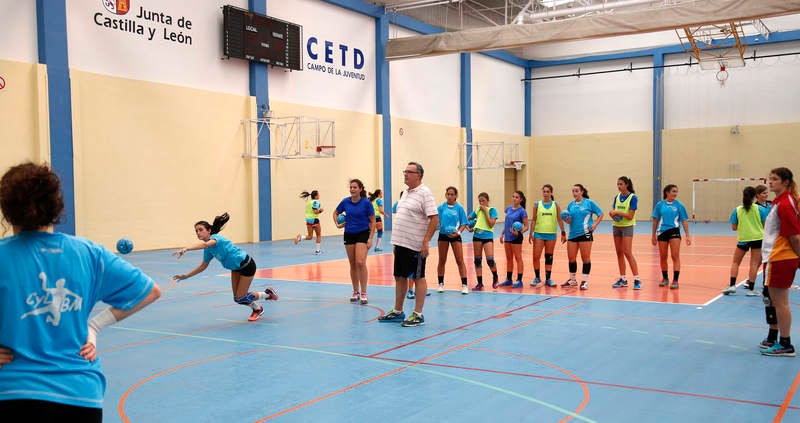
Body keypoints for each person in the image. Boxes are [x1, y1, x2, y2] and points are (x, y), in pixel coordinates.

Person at [0, 162, 161, 420]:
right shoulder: (88, 253)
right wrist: (94, 327)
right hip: (79, 394)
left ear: (6, 209)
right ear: (56, 206)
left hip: (13, 392)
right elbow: (149, 291)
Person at [173, 212, 278, 321]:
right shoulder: (208, 250)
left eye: (200, 230)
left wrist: (186, 248)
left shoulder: (216, 239)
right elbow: (203, 266)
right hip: (235, 268)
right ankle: (258, 308)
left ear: (209, 230)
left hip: (246, 265)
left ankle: (267, 295)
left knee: (241, 297)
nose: (198, 232)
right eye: (196, 231)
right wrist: (186, 276)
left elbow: (205, 244)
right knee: (238, 299)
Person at [378, 162, 438, 327]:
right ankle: (398, 311)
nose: (405, 174)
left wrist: (426, 241)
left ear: (418, 175)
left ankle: (418, 314)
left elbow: (434, 218)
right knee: (399, 277)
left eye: (409, 172)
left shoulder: (425, 193)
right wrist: (397, 243)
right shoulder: (406, 192)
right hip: (401, 243)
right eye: (404, 171)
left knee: (418, 277)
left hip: (416, 245)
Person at [759, 167, 800, 357]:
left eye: (774, 179)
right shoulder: (780, 201)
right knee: (774, 301)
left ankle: (785, 344)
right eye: (770, 178)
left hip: (780, 257)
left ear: (785, 182)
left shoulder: (785, 204)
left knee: (780, 302)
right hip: (775, 257)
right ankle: (777, 339)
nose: (770, 182)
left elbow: (794, 236)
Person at [334, 179, 376, 305]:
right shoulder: (345, 201)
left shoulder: (366, 203)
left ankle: (364, 292)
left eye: (355, 187)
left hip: (363, 233)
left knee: (360, 262)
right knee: (352, 263)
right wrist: (337, 224)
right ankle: (355, 291)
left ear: (360, 189)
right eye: (351, 187)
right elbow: (335, 213)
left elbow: (373, 221)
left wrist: (370, 238)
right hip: (349, 233)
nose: (352, 189)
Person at [723, 186, 768, 296]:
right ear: (754, 196)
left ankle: (732, 285)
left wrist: (744, 227)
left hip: (743, 239)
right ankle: (751, 290)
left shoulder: (737, 210)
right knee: (754, 263)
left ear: (743, 196)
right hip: (758, 238)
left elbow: (734, 227)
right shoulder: (760, 209)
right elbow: (765, 226)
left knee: (735, 262)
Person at [562, 184, 603, 290]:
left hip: (585, 233)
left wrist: (595, 225)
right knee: (571, 258)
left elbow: (601, 213)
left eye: (576, 191)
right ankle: (572, 279)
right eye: (573, 191)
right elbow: (570, 220)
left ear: (582, 192)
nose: (574, 193)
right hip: (572, 234)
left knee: (585, 258)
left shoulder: (589, 203)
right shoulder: (571, 205)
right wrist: (566, 219)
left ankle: (584, 281)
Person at [651, 184, 692, 289]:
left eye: (676, 192)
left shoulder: (679, 205)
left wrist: (687, 235)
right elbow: (655, 220)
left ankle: (675, 280)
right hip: (662, 232)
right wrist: (653, 235)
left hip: (674, 231)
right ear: (667, 192)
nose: (675, 194)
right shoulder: (660, 205)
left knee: (675, 256)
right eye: (673, 191)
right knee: (663, 256)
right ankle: (665, 278)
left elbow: (684, 221)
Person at [528, 184, 566, 287]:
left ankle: (548, 279)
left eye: (547, 191)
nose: (545, 193)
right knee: (536, 257)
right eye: (544, 191)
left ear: (551, 193)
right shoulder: (537, 205)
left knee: (549, 257)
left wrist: (563, 232)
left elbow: (559, 219)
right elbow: (534, 219)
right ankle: (537, 277)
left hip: (551, 235)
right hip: (539, 234)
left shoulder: (556, 205)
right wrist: (531, 233)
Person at [609, 176, 642, 290]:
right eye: (617, 184)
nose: (619, 186)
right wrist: (612, 214)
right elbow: (614, 212)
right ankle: (623, 279)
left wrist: (618, 212)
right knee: (619, 253)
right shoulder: (616, 197)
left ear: (626, 184)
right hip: (617, 226)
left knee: (627, 252)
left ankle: (637, 279)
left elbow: (630, 216)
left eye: (621, 184)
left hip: (627, 227)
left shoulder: (633, 198)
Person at [436, 186, 470, 295]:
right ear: (445, 195)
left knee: (460, 260)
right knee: (442, 260)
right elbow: (436, 221)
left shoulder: (459, 208)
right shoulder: (441, 208)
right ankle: (440, 284)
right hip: (443, 235)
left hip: (455, 235)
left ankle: (464, 285)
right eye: (448, 194)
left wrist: (458, 233)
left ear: (456, 196)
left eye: (452, 194)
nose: (450, 196)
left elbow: (464, 223)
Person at [467, 192, 500, 291]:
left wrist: (485, 211)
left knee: (490, 259)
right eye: (480, 201)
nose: (481, 203)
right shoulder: (477, 210)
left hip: (487, 236)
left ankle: (495, 277)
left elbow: (491, 224)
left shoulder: (492, 210)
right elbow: (468, 218)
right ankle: (480, 283)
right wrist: (469, 226)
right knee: (477, 260)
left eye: (483, 201)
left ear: (487, 201)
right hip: (477, 236)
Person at [498, 191, 529, 288]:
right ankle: (508, 279)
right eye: (513, 196)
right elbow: (507, 223)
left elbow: (526, 226)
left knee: (518, 258)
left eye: (517, 197)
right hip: (507, 237)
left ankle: (519, 280)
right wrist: (502, 233)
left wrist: (519, 233)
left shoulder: (522, 211)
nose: (514, 198)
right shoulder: (508, 209)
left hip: (516, 237)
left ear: (521, 199)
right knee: (509, 259)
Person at [295, 190, 324, 255]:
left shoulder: (309, 203)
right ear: (316, 196)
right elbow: (315, 211)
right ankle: (317, 251)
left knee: (310, 236)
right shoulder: (316, 202)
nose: (319, 196)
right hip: (314, 220)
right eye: (318, 194)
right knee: (318, 235)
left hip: (308, 220)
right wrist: (320, 211)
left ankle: (300, 238)